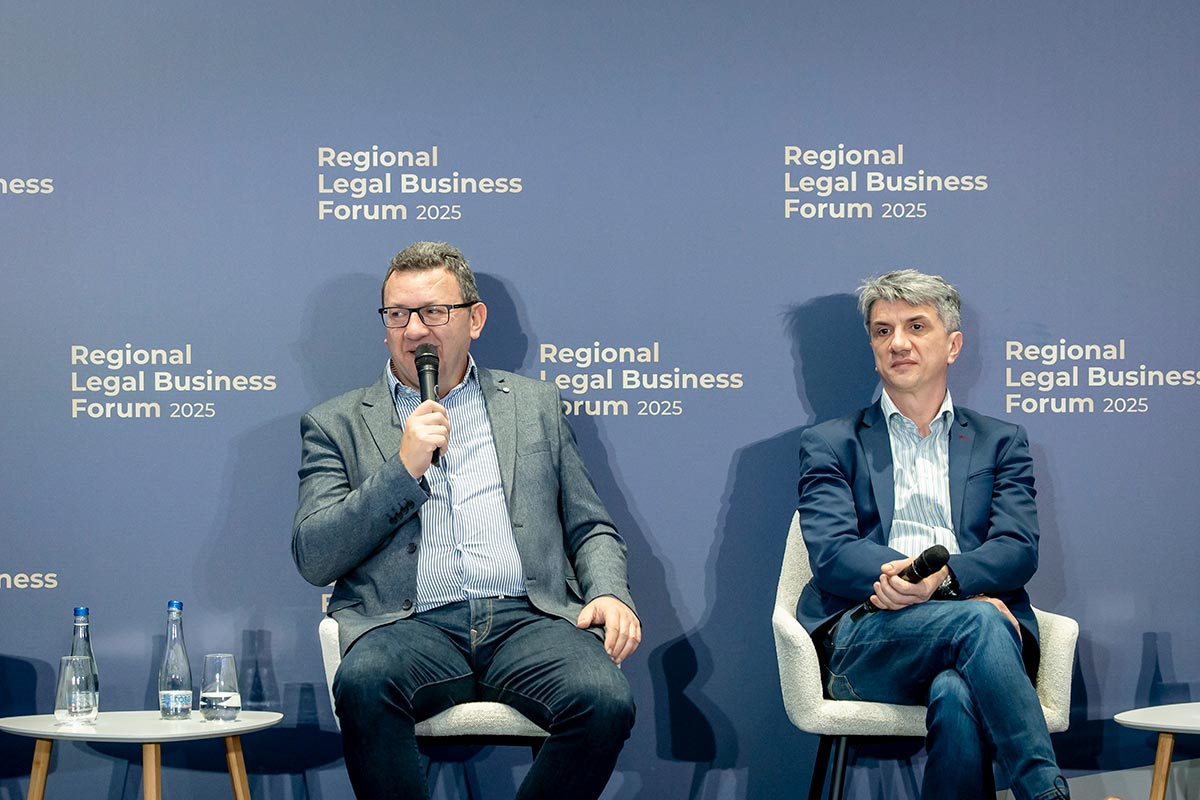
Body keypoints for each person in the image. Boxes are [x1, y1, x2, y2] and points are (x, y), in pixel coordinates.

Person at [292, 242, 639, 800]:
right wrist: (403, 469)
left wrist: (609, 592)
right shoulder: (335, 423)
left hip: (529, 619)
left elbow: (589, 525)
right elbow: (315, 555)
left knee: (604, 699)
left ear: (474, 319)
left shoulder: (535, 405)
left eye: (433, 311)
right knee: (362, 685)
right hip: (407, 625)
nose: (414, 331)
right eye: (398, 314)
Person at [795, 269, 1072, 800]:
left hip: (986, 638)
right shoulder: (831, 443)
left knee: (957, 690)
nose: (897, 343)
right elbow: (832, 553)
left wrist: (941, 582)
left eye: (916, 326)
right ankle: (1046, 793)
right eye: (882, 331)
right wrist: (915, 582)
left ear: (953, 345)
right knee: (979, 621)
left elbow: (1017, 549)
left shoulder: (1000, 441)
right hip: (868, 636)